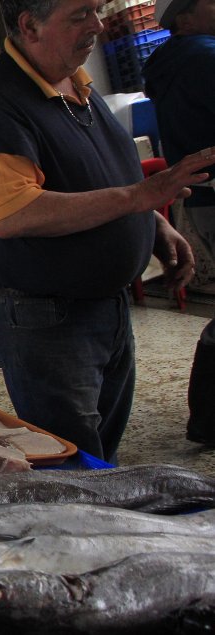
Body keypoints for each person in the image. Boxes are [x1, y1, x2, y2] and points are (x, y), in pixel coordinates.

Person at [0, 0, 215, 462]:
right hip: (44, 316)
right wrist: (140, 197)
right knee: (71, 458)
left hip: (101, 305)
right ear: (30, 26)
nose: (97, 25)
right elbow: (15, 214)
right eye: (79, 15)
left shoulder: (78, 84)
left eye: (96, 10)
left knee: (101, 448)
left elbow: (96, 175)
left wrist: (152, 224)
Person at [143, 0, 215, 445]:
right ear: (184, 18)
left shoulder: (173, 63)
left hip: (204, 198)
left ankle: (206, 418)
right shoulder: (204, 57)